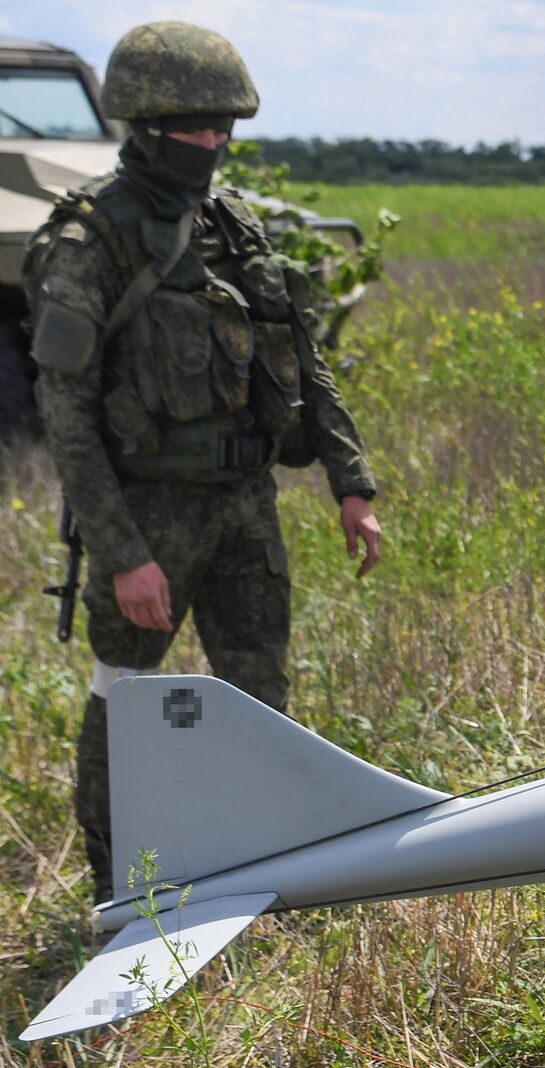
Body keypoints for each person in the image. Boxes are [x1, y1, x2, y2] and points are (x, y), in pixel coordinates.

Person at [21, 22, 382, 905]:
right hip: (148, 517)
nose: (215, 143)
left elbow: (303, 357)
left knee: (260, 695)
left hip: (243, 509)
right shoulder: (88, 244)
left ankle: (259, 873)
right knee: (124, 701)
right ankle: (117, 891)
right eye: (198, 127)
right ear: (146, 127)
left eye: (225, 127)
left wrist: (351, 482)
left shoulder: (236, 225)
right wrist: (123, 552)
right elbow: (66, 420)